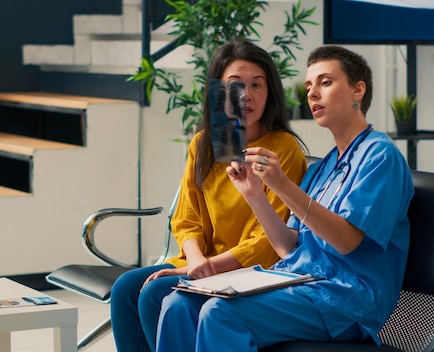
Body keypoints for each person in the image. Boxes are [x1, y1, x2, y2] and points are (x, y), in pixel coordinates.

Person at [155, 45, 415, 351]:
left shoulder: (380, 155)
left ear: (358, 90)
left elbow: (347, 242)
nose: (313, 94)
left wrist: (283, 186)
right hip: (298, 282)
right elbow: (286, 245)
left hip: (346, 297)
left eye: (325, 82)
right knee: (178, 303)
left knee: (220, 313)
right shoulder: (323, 168)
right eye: (308, 86)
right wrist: (254, 194)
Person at [110, 38, 309, 352]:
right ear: (218, 91)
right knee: (125, 288)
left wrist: (207, 267)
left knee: (153, 293)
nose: (247, 95)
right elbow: (186, 219)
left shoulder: (282, 148)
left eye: (257, 84)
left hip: (253, 269)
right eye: (235, 85)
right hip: (202, 263)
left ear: (270, 91)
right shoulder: (203, 143)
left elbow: (269, 241)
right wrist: (196, 261)